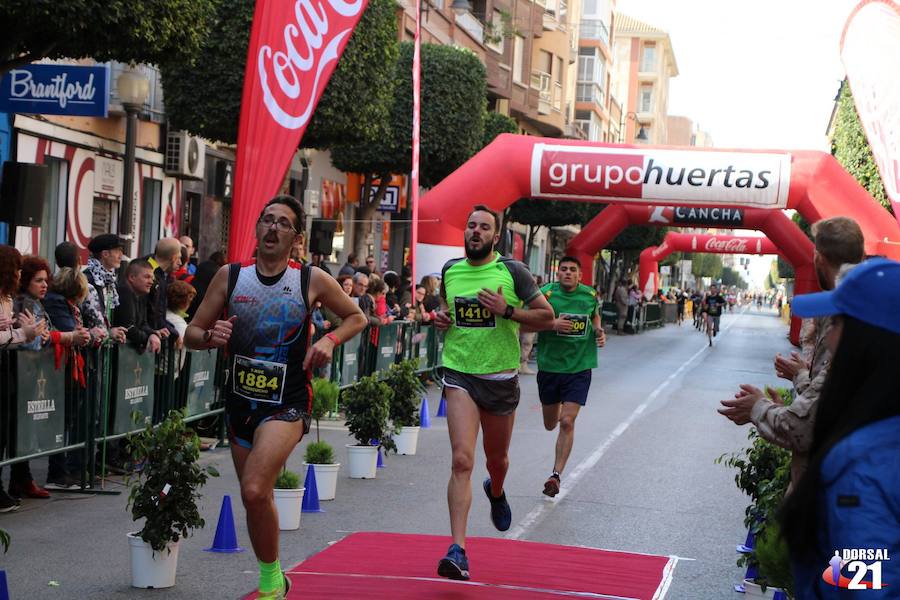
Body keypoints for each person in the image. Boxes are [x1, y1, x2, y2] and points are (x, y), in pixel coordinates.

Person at [185, 195, 366, 599]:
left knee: (252, 489)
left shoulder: (310, 279)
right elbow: (191, 333)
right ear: (256, 228)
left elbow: (357, 316)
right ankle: (275, 573)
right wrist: (210, 337)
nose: (272, 228)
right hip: (240, 404)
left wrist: (330, 341)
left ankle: (269, 586)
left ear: (296, 238)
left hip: (287, 403)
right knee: (257, 498)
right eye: (267, 220)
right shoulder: (231, 277)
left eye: (282, 223)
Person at [433, 205, 554, 581]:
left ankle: (496, 490)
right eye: (471, 226)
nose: (476, 232)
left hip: (500, 379)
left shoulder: (513, 272)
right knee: (461, 460)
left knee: (496, 460)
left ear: (495, 236)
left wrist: (508, 310)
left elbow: (547, 318)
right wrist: (441, 320)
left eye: (484, 227)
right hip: (459, 373)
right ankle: (458, 550)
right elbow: (445, 311)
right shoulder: (451, 271)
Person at [778, 258, 900, 597]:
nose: (827, 339)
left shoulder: (863, 464)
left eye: (836, 324)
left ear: (868, 341)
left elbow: (865, 588)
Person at [718, 217, 864, 489]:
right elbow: (826, 405)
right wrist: (799, 378)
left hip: (836, 496)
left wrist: (758, 407)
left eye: (833, 324)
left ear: (818, 257)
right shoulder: (866, 313)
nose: (826, 336)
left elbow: (804, 429)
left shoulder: (856, 333)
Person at [530, 256, 605, 497]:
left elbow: (595, 317)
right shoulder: (546, 294)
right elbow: (528, 320)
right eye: (564, 269)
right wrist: (552, 324)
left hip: (579, 368)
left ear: (580, 275)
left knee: (567, 421)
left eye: (573, 270)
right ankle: (557, 415)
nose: (568, 273)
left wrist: (598, 331)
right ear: (557, 273)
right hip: (550, 367)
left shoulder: (590, 296)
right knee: (550, 423)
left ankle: (556, 476)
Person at [83, 234, 128, 346]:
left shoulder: (110, 280)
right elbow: (88, 319)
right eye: (117, 251)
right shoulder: (87, 279)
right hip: (88, 348)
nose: (121, 255)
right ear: (105, 254)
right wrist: (108, 332)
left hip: (102, 349)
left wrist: (115, 331)